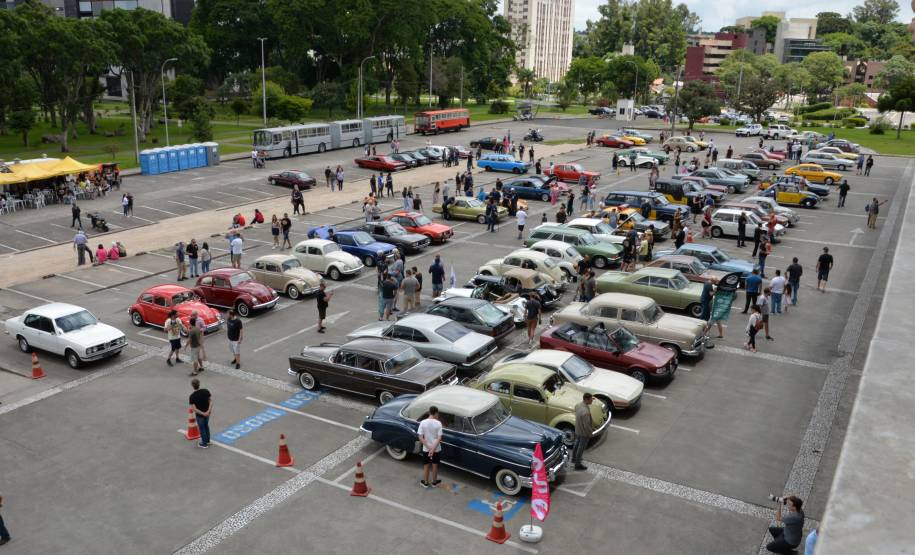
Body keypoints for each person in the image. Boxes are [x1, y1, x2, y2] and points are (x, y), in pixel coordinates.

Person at [417, 405, 443, 488]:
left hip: (426, 448)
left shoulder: (423, 422)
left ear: (429, 412)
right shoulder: (438, 423)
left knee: (426, 465)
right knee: (435, 465)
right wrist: (433, 449)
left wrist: (429, 448)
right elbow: (439, 437)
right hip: (436, 449)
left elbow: (420, 437)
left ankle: (425, 482)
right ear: (435, 413)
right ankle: (434, 482)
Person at [571, 393, 594, 471]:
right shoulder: (585, 412)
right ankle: (577, 463)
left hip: (577, 429)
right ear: (586, 399)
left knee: (576, 444)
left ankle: (573, 458)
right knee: (581, 448)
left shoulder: (578, 405)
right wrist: (590, 433)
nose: (592, 401)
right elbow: (586, 425)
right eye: (591, 399)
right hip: (584, 432)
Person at [189, 378, 212, 449]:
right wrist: (208, 411)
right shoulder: (205, 391)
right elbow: (211, 401)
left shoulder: (192, 396)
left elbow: (194, 409)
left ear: (192, 386)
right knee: (206, 426)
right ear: (199, 384)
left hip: (200, 415)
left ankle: (204, 443)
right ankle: (208, 440)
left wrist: (203, 413)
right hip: (207, 413)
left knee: (202, 428)